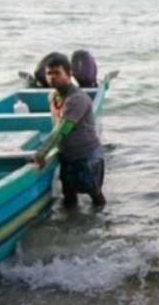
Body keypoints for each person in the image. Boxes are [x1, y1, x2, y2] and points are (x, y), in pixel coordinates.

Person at [32, 53, 106, 206]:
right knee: (69, 196)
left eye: (57, 73)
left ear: (69, 74)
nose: (52, 77)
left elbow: (62, 129)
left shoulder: (76, 99)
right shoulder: (53, 97)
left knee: (95, 194)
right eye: (49, 73)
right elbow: (56, 126)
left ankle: (104, 225)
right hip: (67, 155)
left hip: (86, 155)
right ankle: (71, 227)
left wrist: (42, 151)